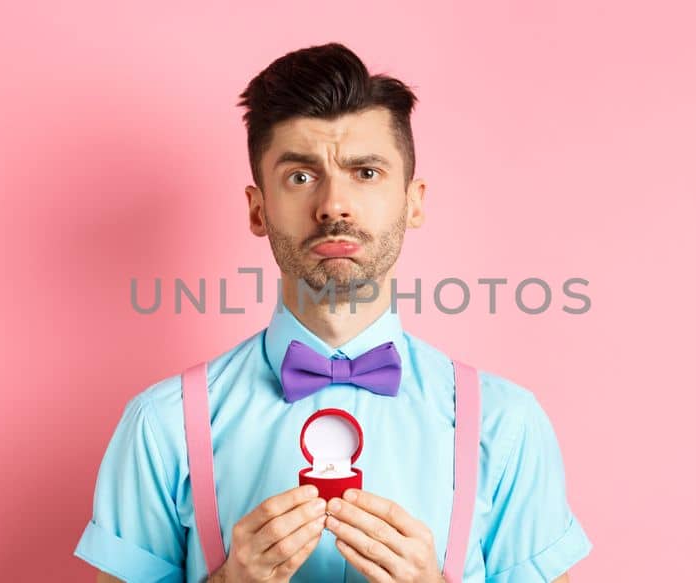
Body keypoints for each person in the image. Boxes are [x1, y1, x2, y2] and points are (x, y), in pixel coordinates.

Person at [74, 42, 590, 583]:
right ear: (258, 208)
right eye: (301, 176)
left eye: (365, 173)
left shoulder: (505, 424)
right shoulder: (162, 425)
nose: (333, 205)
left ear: (413, 202)